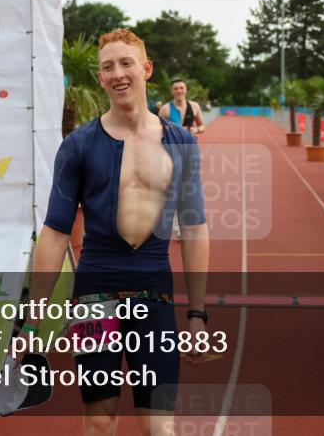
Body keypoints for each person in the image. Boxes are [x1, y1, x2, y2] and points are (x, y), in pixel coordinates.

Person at [25, 29, 209, 436]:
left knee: (160, 426)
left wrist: (197, 313)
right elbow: (55, 234)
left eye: (126, 63)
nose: (118, 73)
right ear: (100, 78)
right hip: (94, 298)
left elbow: (194, 228)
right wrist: (34, 320)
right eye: (108, 67)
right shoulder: (77, 145)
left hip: (154, 296)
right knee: (100, 420)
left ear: (146, 69)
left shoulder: (180, 142)